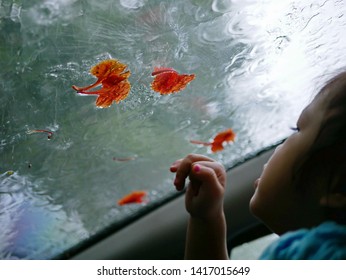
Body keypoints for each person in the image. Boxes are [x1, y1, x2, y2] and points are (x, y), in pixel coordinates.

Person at [170, 71, 346, 259]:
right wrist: (206, 218)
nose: (278, 148)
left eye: (298, 129)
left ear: (338, 186)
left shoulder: (303, 255)